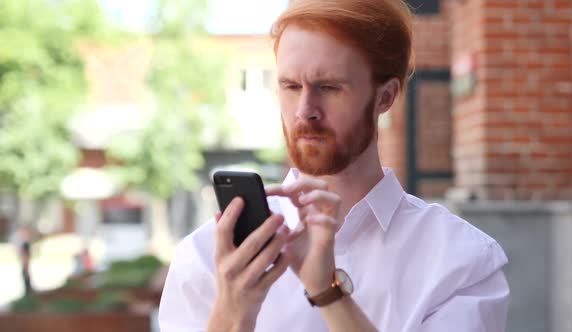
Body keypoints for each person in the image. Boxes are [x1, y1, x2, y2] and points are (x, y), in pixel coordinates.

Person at [159, 0, 510, 331]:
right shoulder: (207, 257)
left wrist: (328, 292)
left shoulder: (460, 260)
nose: (304, 110)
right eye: (290, 86)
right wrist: (232, 313)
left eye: (328, 87)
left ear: (385, 96)